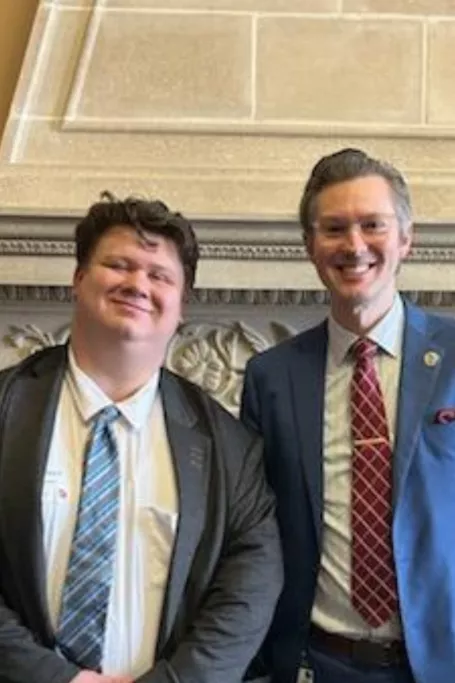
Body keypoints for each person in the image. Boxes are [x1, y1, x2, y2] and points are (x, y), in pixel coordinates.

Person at [0, 193, 283, 683]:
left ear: (181, 306)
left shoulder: (230, 448)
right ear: (78, 279)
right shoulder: (5, 407)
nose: (137, 284)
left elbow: (250, 590)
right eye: (118, 265)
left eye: (159, 276)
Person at [241, 147, 455, 683]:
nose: (354, 245)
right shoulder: (271, 377)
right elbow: (254, 529)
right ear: (310, 247)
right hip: (315, 662)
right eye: (334, 228)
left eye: (373, 225)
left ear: (406, 239)